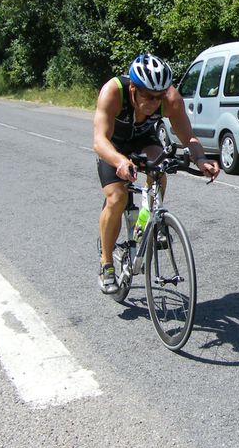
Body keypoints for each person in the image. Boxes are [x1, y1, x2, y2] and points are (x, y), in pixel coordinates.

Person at [93, 52, 220, 294]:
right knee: (117, 197)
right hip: (113, 146)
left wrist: (201, 158)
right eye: (148, 96)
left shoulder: (170, 98)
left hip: (143, 140)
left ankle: (149, 220)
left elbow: (188, 136)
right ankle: (106, 262)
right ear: (133, 87)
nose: (154, 102)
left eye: (158, 97)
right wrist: (120, 161)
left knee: (160, 166)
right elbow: (99, 140)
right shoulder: (113, 91)